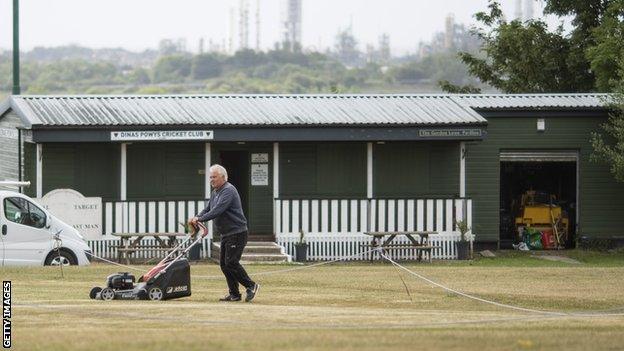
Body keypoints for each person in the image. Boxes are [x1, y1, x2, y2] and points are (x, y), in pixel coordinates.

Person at [190, 164, 259, 302]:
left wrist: (200, 219)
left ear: (223, 177)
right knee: (224, 264)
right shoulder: (216, 192)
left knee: (231, 262)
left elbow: (218, 210)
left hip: (237, 232)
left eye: (214, 177)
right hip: (226, 233)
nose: (211, 180)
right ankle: (234, 294)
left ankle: (251, 285)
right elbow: (209, 208)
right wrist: (197, 217)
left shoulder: (228, 190)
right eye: (210, 177)